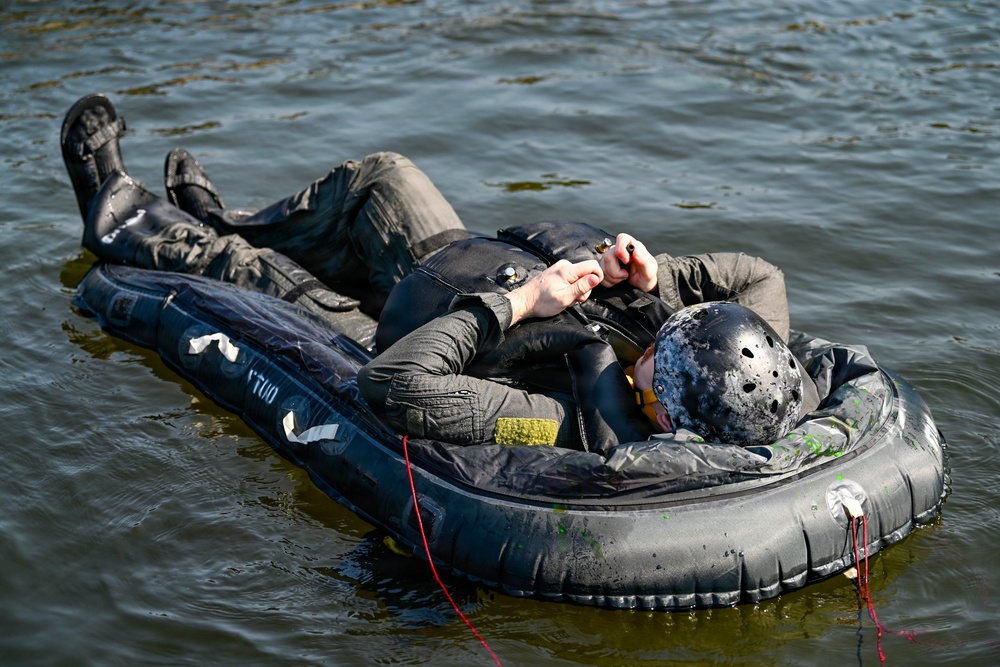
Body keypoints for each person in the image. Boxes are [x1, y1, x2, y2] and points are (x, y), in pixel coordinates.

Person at [61, 93, 817, 456]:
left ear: (662, 416)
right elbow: (765, 280)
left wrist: (520, 303)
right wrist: (659, 281)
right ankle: (225, 216)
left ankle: (119, 213)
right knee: (383, 177)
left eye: (658, 353)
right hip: (460, 264)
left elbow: (394, 385)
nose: (655, 339)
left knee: (252, 276)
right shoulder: (730, 365)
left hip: (404, 337)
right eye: (673, 330)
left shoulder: (569, 420)